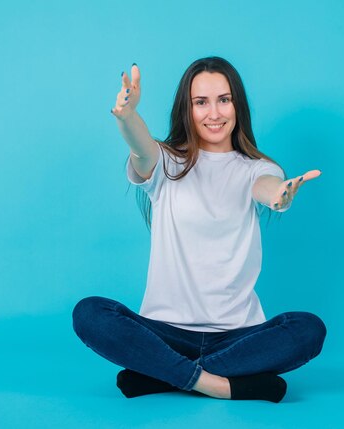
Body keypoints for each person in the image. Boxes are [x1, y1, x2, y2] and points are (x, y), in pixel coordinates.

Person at [73, 57, 326, 403]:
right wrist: (128, 117)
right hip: (164, 332)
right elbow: (140, 148)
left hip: (238, 336)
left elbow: (268, 188)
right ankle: (220, 385)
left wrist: (281, 197)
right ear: (187, 109)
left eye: (224, 99)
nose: (214, 113)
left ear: (237, 104)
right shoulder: (165, 162)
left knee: (308, 329)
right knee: (90, 313)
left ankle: (161, 374)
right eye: (201, 102)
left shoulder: (257, 169)